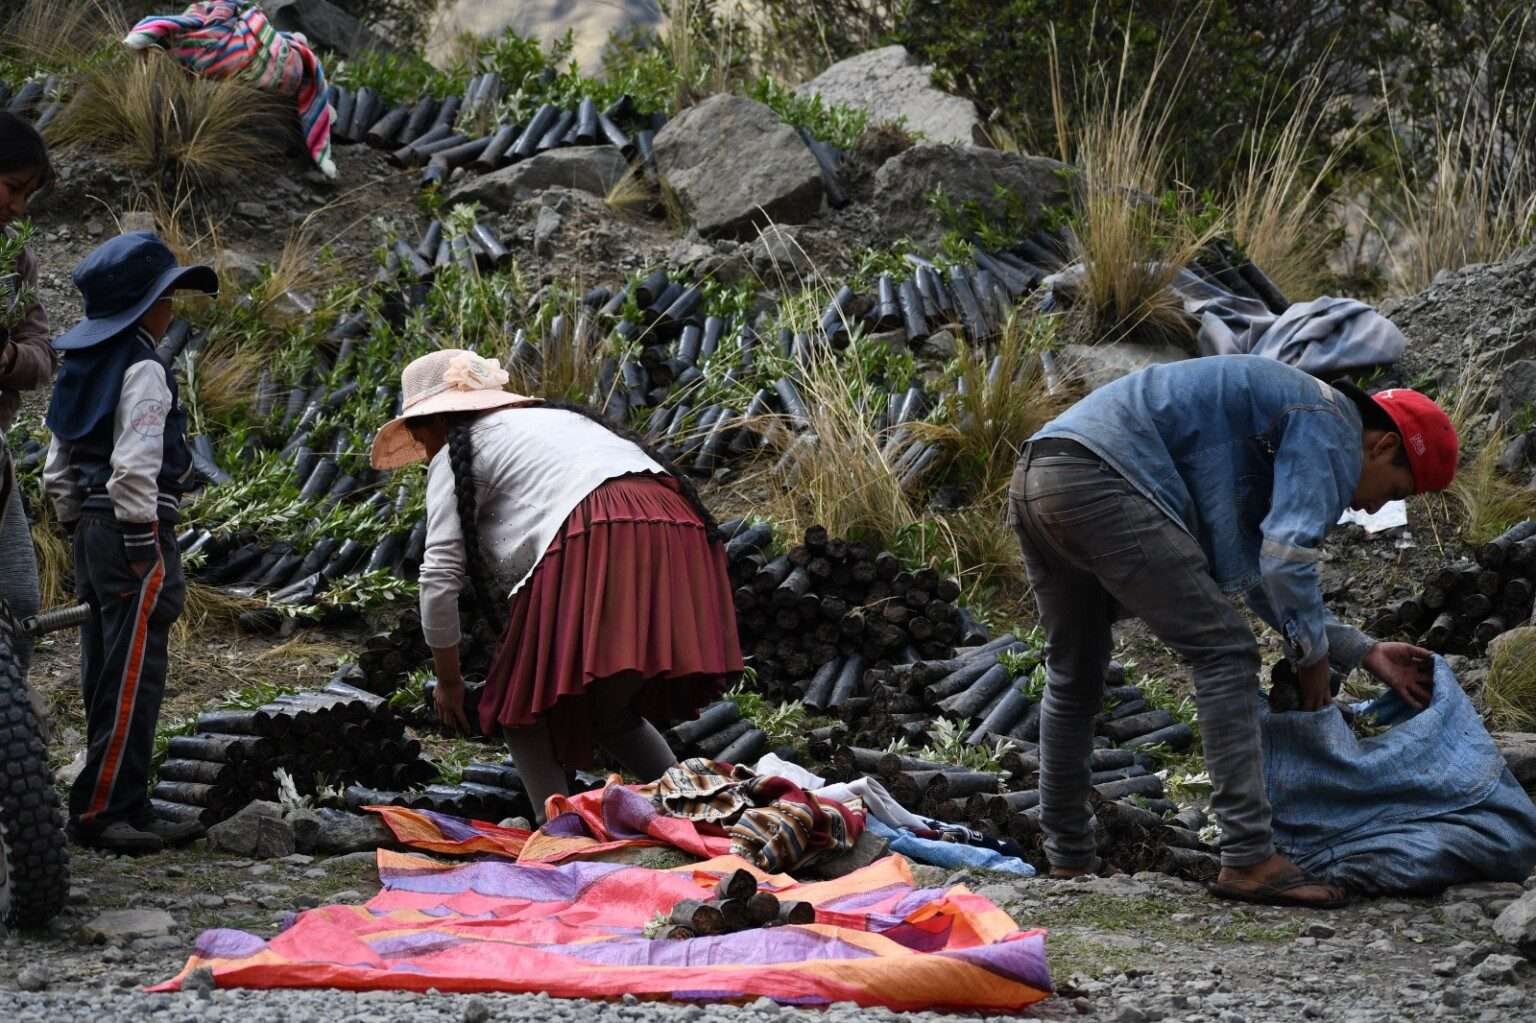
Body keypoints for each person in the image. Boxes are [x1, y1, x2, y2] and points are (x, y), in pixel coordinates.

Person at [1009, 354, 1457, 907]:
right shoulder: (1332, 425)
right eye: (1391, 492)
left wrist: (1358, 650)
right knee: (1224, 652)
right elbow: (1289, 559)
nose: (1369, 509)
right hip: (1104, 479)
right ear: (1382, 446)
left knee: (1074, 671)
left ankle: (1069, 861)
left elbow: (1259, 572)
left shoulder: (1280, 415)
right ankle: (1248, 857)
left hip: (1042, 469)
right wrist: (1311, 655)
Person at [370, 349, 743, 821]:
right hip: (678, 526)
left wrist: (448, 681)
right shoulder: (554, 423)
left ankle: (559, 836)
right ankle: (701, 811)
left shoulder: (456, 454)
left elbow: (439, 576)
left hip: (597, 530)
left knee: (520, 709)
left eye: (420, 434)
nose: (424, 451)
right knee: (608, 710)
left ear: (434, 422)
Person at [43, 231, 218, 854]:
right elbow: (136, 466)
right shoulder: (145, 367)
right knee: (135, 673)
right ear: (152, 306)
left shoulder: (82, 367)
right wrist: (143, 542)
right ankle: (102, 810)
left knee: (104, 665)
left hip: (91, 529)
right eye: (168, 296)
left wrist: (76, 526)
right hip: (133, 528)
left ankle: (124, 801)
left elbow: (56, 468)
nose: (173, 307)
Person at [0, 111, 59, 669]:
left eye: (26, 195)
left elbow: (42, 355)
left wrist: (6, 357)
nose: (18, 206)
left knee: (19, 600)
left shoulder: (13, 260)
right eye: (13, 188)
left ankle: (11, 725)